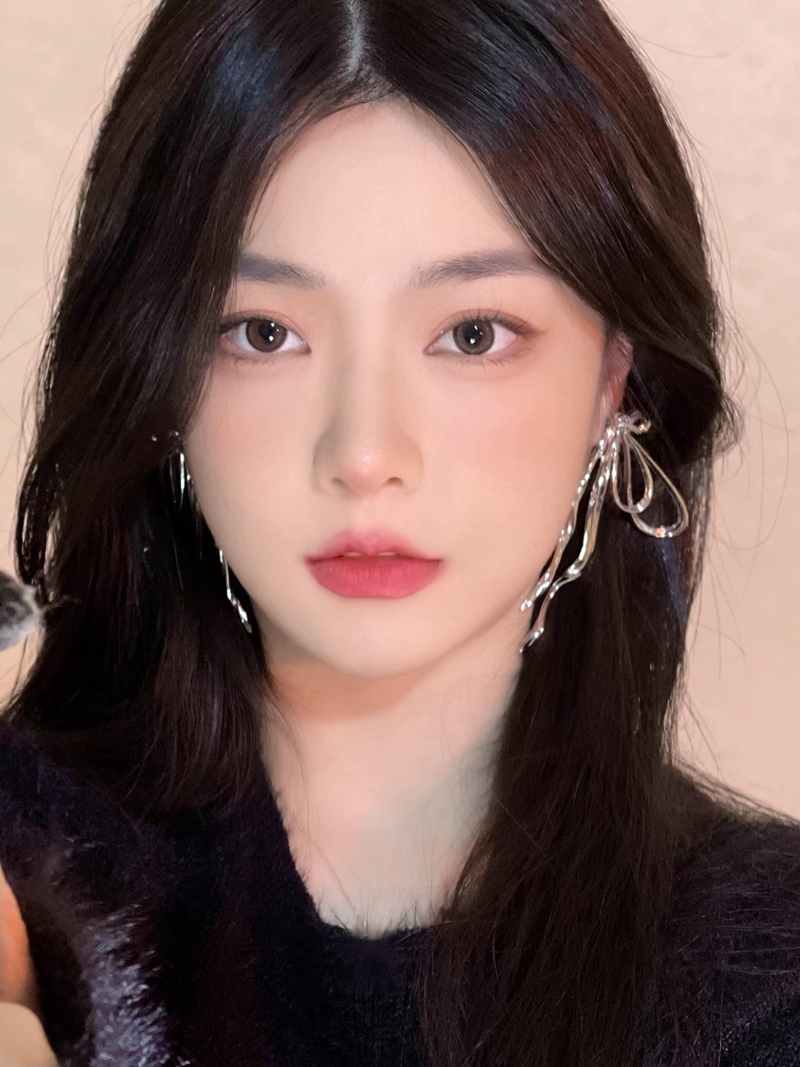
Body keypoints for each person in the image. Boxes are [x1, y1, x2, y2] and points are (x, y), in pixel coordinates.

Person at [1, 0, 799, 1064]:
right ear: (162, 380)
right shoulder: (24, 874)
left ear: (615, 377)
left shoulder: (765, 978)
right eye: (264, 333)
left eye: (472, 335)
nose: (366, 451)